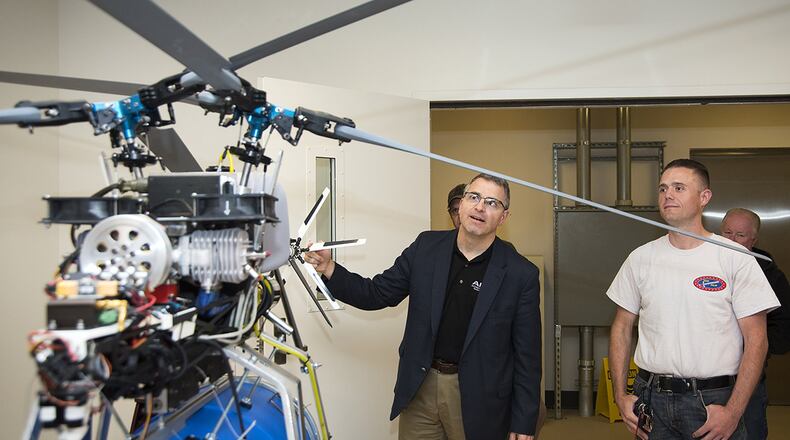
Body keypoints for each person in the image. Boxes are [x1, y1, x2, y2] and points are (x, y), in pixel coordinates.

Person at [306, 174, 542, 440]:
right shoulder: (426, 248)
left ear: (503, 217)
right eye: (473, 197)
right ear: (461, 204)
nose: (479, 207)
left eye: (492, 202)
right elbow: (376, 293)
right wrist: (329, 268)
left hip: (480, 397)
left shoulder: (520, 274)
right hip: (421, 386)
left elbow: (528, 357)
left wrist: (524, 422)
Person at [606, 159, 780, 440]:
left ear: (704, 197)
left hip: (714, 401)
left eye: (678, 188)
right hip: (651, 399)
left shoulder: (735, 257)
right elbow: (621, 327)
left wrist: (734, 412)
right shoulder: (640, 259)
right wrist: (620, 396)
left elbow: (757, 340)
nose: (668, 195)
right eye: (663, 189)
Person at [720, 208, 790, 440]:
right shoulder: (704, 263)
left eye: (740, 235)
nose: (731, 240)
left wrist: (756, 348)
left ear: (753, 240)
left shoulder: (768, 273)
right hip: (705, 380)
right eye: (727, 232)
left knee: (750, 432)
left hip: (747, 376)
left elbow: (784, 321)